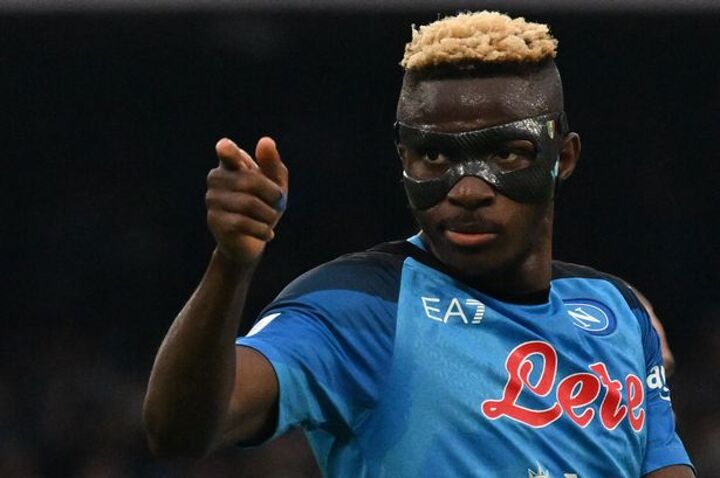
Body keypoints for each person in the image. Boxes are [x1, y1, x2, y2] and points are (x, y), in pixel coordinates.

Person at [143, 11, 694, 477]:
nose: (468, 190)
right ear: (404, 160)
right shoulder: (358, 306)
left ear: (562, 158)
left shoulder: (618, 311)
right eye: (435, 156)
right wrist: (230, 264)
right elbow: (179, 431)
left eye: (506, 153)